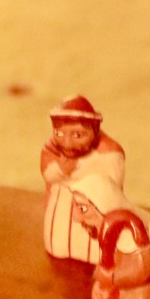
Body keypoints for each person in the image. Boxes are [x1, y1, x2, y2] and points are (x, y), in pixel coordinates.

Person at [41, 95, 124, 264]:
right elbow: (48, 175)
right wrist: (61, 169)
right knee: (59, 241)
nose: (67, 142)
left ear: (94, 131)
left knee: (95, 250)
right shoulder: (51, 149)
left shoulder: (109, 152)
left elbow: (112, 186)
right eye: (59, 133)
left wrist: (79, 172)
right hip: (61, 210)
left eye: (77, 135)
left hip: (92, 213)